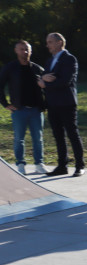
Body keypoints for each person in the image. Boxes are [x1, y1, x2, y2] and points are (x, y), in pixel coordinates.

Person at [39, 33, 85, 177]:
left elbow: (65, 81)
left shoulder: (70, 59)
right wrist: (43, 79)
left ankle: (79, 166)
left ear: (59, 42)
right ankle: (62, 166)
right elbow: (44, 77)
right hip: (52, 104)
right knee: (58, 135)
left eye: (50, 42)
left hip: (66, 103)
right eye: (47, 42)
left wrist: (45, 84)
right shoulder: (49, 61)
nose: (47, 45)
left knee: (72, 133)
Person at [0, 40, 46, 175]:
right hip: (19, 109)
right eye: (21, 49)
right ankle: (20, 164)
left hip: (36, 109)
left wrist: (45, 105)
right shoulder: (10, 68)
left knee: (38, 138)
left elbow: (47, 87)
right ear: (16, 51)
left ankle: (39, 164)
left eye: (27, 49)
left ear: (30, 51)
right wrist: (5, 104)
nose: (24, 52)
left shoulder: (37, 68)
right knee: (19, 138)